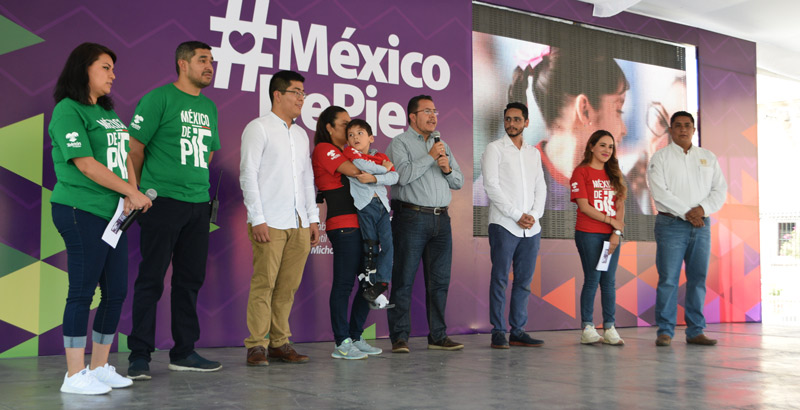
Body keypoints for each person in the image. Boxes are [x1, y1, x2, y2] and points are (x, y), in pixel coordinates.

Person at [49, 42, 152, 394]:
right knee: (81, 292)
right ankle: (74, 375)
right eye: (105, 67)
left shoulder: (107, 113)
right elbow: (86, 164)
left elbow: (124, 158)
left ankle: (99, 366)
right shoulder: (67, 110)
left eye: (113, 68)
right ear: (84, 69)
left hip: (113, 217)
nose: (113, 74)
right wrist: (130, 192)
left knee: (115, 292)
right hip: (79, 211)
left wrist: (131, 193)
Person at [126, 41, 222, 379]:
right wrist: (136, 191)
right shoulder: (158, 98)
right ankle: (139, 355)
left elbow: (209, 152)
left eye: (211, 60)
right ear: (183, 64)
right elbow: (134, 147)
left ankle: (184, 352)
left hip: (198, 205)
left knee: (189, 281)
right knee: (151, 280)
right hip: (161, 202)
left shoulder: (209, 107)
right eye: (202, 60)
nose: (209, 66)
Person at [240, 70, 319, 365]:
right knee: (264, 284)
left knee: (287, 287)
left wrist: (312, 219)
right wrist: (256, 217)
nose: (301, 98)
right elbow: (248, 174)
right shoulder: (258, 128)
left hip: (298, 222)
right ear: (277, 94)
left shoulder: (300, 134)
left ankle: (279, 342)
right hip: (269, 219)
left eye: (303, 93)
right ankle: (256, 345)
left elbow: (307, 179)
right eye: (296, 92)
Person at [386, 95, 464, 353]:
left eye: (434, 111)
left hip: (442, 219)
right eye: (427, 111)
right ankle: (399, 337)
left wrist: (447, 169)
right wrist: (430, 157)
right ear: (412, 116)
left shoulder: (443, 145)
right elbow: (402, 176)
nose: (433, 116)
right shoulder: (400, 143)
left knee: (439, 282)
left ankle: (438, 336)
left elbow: (459, 182)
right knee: (404, 279)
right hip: (411, 217)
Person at [509, 46, 628, 212]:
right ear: (584, 110)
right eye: (618, 110)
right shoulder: (508, 178)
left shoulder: (617, 185)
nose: (624, 129)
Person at [647, 111, 727, 347]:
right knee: (669, 279)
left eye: (687, 126)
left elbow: (719, 191)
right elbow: (660, 192)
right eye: (678, 126)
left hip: (701, 225)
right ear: (670, 130)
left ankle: (695, 331)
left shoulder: (708, 157)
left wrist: (701, 210)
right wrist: (688, 213)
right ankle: (665, 331)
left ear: (694, 130)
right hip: (671, 224)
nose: (683, 129)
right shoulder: (659, 158)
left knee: (698, 278)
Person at [312, 107, 383, 360]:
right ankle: (341, 342)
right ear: (329, 127)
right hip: (343, 225)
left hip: (365, 224)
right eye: (344, 124)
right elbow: (356, 172)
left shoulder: (350, 152)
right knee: (344, 284)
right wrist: (382, 169)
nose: (349, 128)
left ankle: (355, 335)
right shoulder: (324, 148)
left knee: (368, 281)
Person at [481, 102, 547, 349]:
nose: (511, 124)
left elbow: (541, 186)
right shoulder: (494, 149)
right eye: (508, 119)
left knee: (524, 281)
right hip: (503, 225)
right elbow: (491, 186)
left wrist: (534, 214)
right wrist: (516, 214)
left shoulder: (533, 153)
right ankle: (498, 331)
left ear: (526, 122)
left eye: (517, 119)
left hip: (531, 227)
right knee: (499, 278)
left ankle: (518, 330)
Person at [570, 130, 627, 346]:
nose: (607, 150)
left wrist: (616, 233)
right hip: (589, 233)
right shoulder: (581, 172)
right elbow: (584, 207)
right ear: (591, 146)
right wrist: (610, 221)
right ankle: (588, 327)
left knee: (609, 282)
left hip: (611, 236)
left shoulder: (615, 174)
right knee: (593, 278)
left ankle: (610, 327)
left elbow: (620, 206)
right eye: (602, 145)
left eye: (611, 147)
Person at [341, 119, 398, 306]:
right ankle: (368, 284)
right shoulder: (349, 152)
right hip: (365, 205)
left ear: (371, 138)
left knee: (388, 244)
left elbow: (395, 176)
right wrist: (384, 170)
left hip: (382, 206)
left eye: (360, 133)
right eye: (350, 135)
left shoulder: (380, 155)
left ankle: (382, 283)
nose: (355, 137)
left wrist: (374, 178)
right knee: (371, 245)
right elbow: (362, 165)